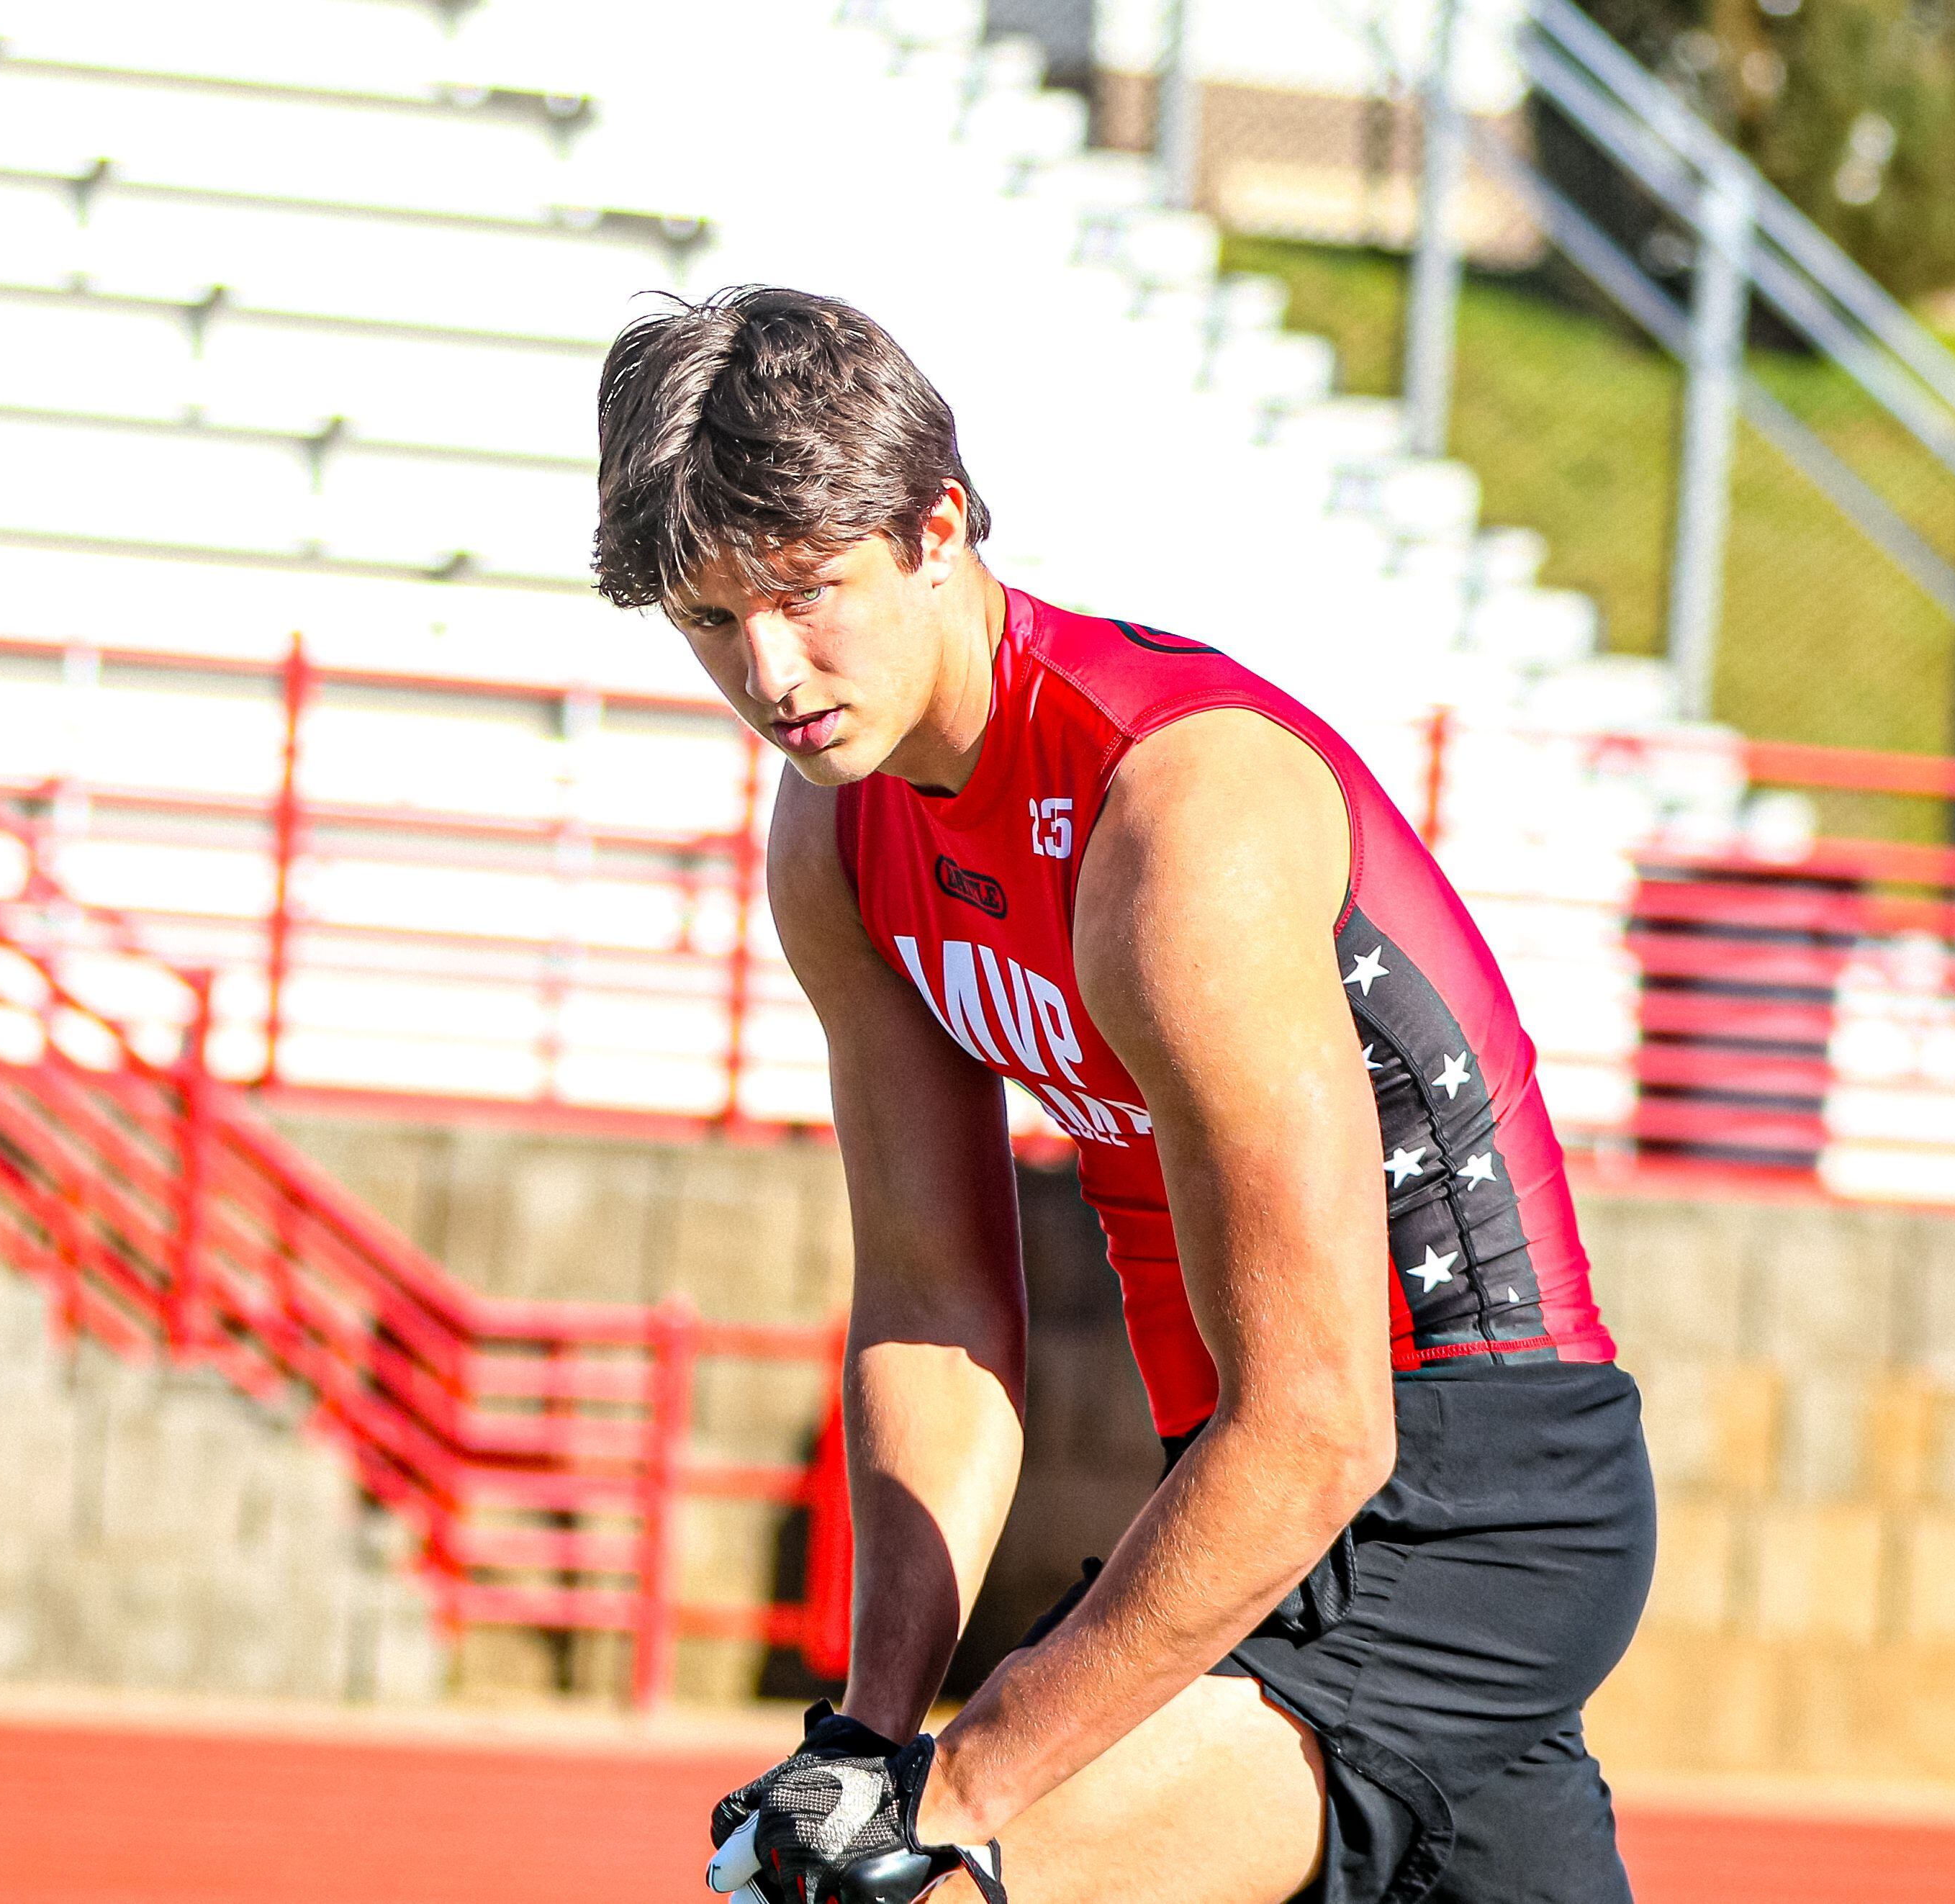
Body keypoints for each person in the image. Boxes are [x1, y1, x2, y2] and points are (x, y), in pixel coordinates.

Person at [594, 286, 1656, 1904]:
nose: (769, 672)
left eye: (807, 596)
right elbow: (933, 1306)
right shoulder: (840, 833)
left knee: (922, 1889)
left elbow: (1319, 1422)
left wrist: (947, 1795)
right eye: (707, 623)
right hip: (1229, 1500)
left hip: (1458, 1506)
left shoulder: (1173, 814)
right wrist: (870, 1734)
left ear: (935, 526)